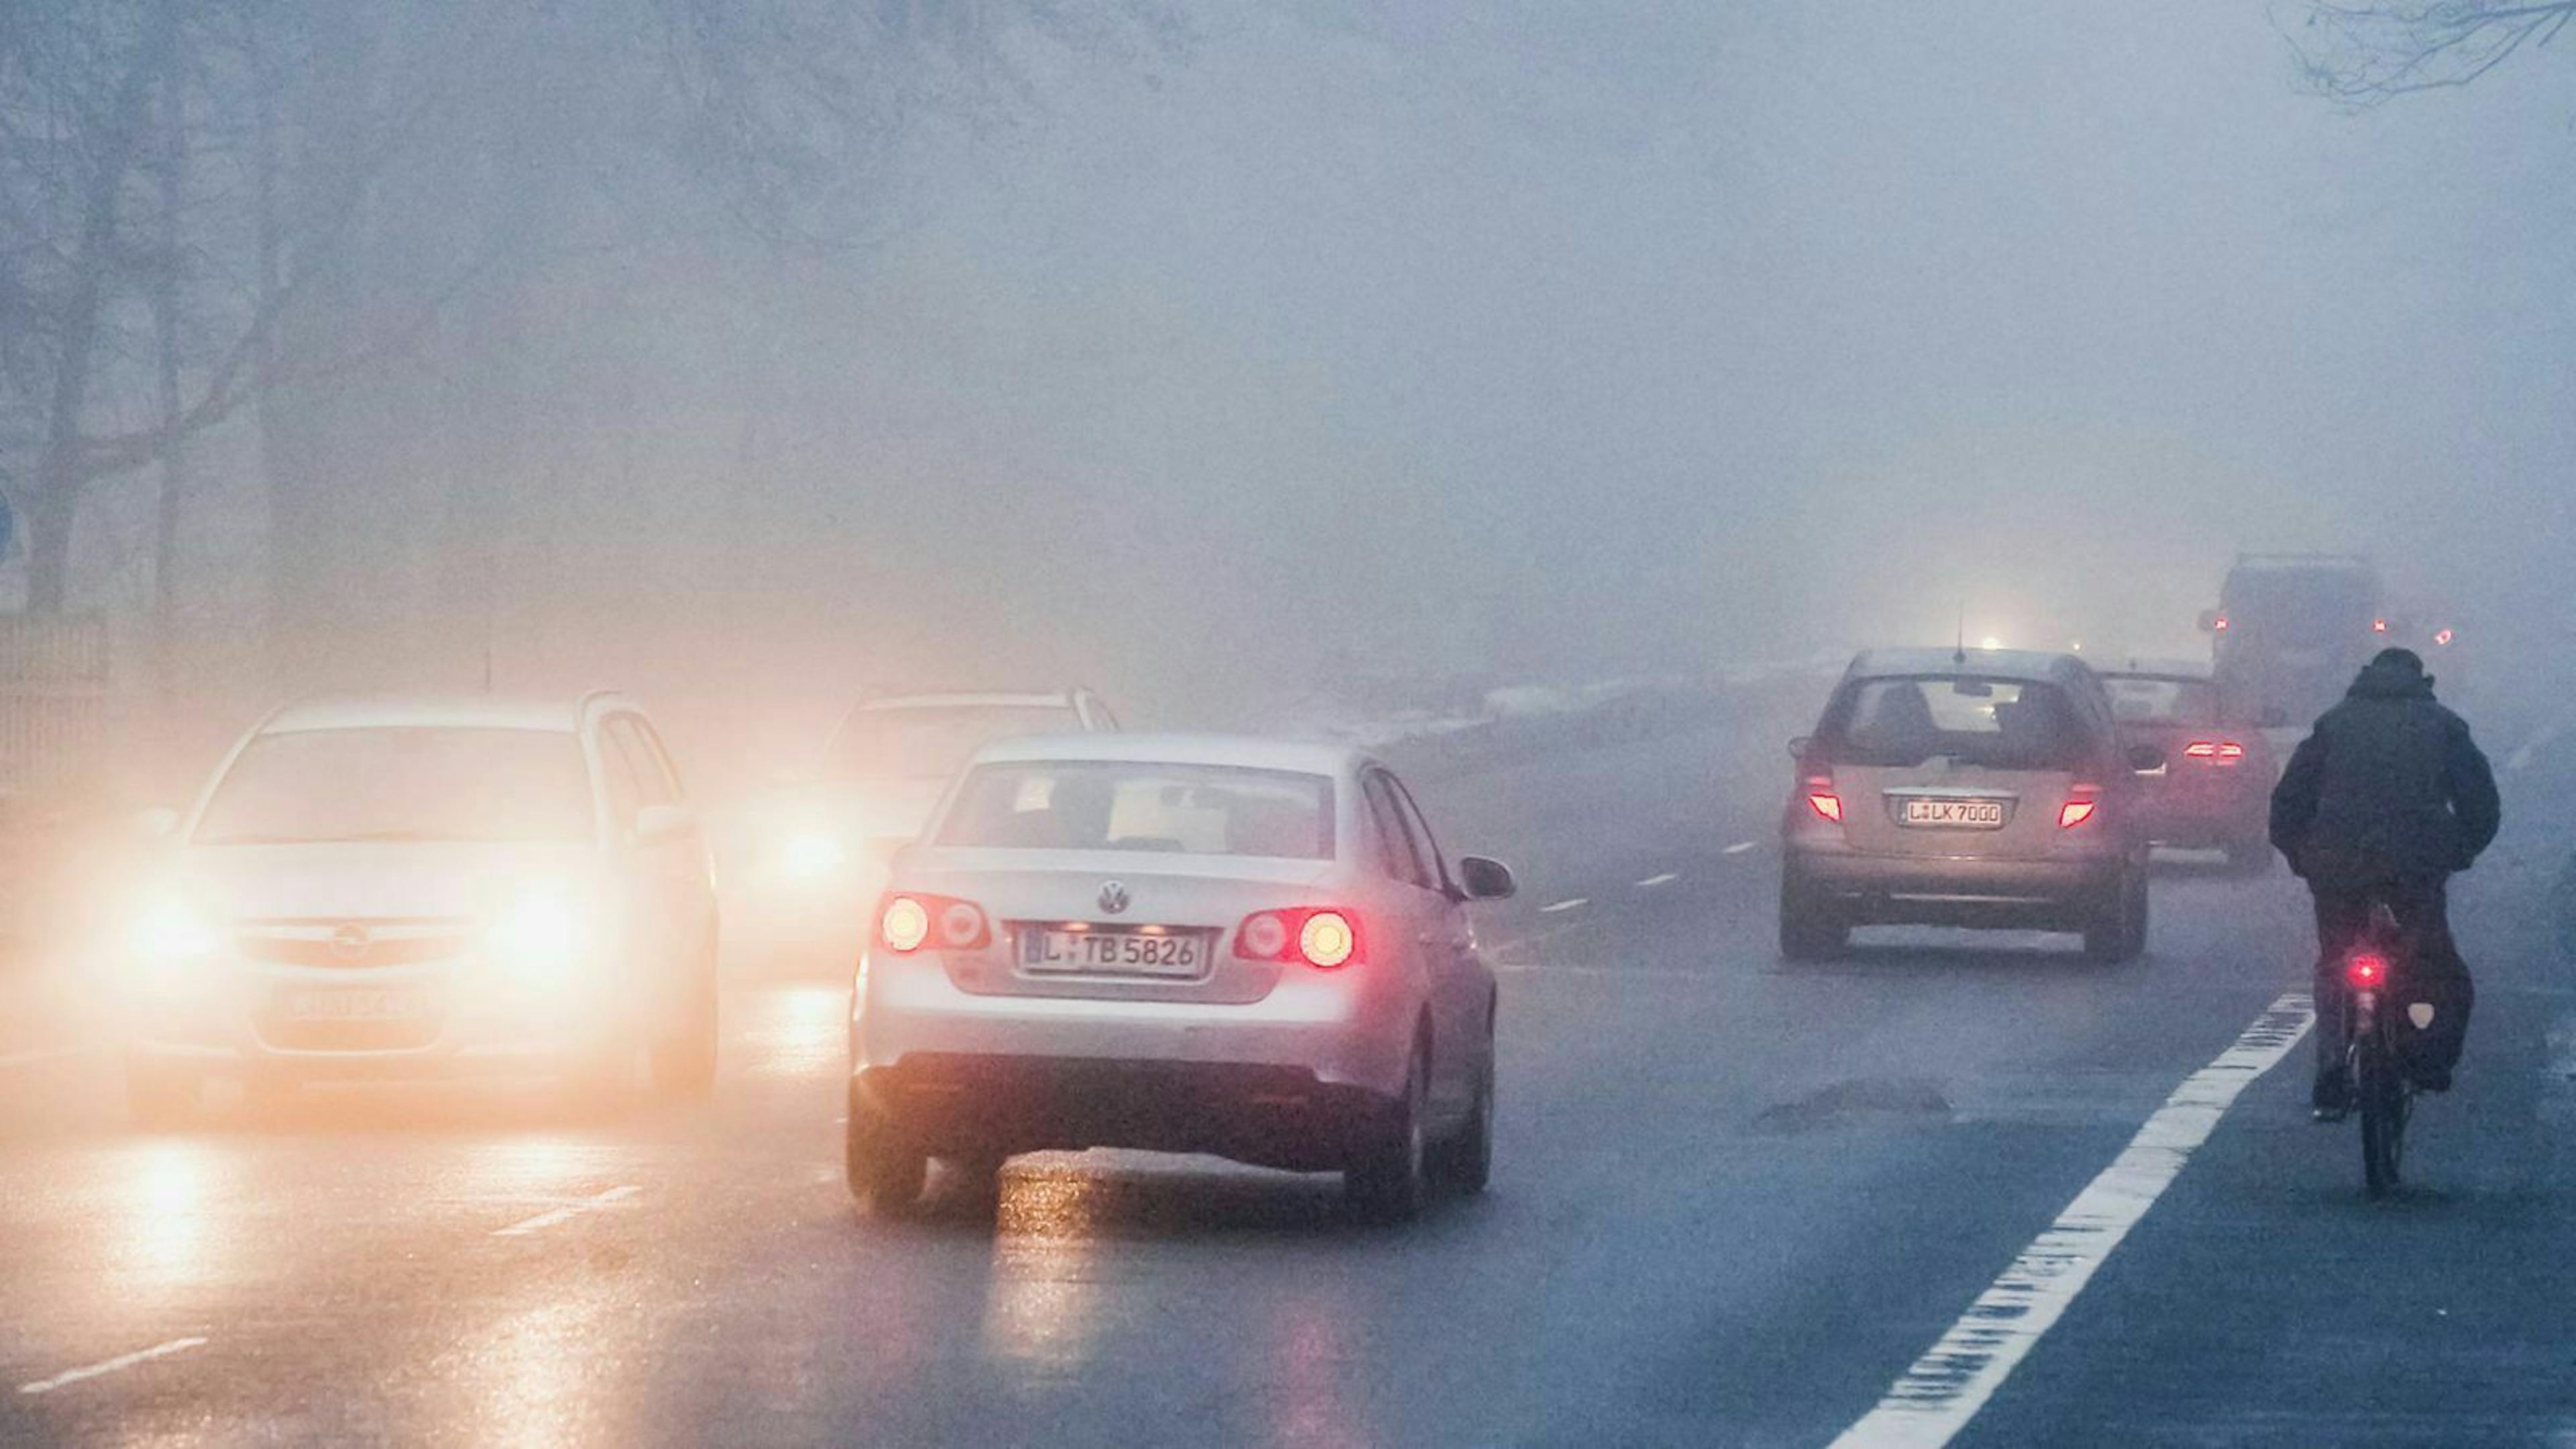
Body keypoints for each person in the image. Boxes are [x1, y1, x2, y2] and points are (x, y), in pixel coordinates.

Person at [2269, 647, 2500, 1118]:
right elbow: (2481, 805)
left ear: (2366, 678)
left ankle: (2332, 1068)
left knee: (2335, 962)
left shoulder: (2333, 723)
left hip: (2337, 866)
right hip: (2417, 867)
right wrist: (2458, 852)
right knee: (2435, 969)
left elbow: (2289, 802)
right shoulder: (2444, 726)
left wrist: (2302, 856)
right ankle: (2428, 1056)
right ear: (2422, 680)